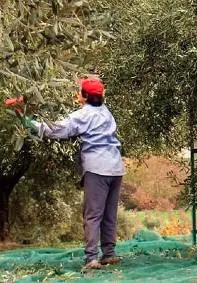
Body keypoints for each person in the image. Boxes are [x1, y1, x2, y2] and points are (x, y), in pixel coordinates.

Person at [22, 78, 125, 269]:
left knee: (93, 215)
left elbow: (56, 130)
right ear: (101, 96)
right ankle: (109, 254)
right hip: (116, 167)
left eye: (79, 92)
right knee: (109, 214)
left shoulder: (82, 115)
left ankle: (92, 258)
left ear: (84, 97)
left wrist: (30, 122)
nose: (77, 95)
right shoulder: (106, 112)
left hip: (97, 168)